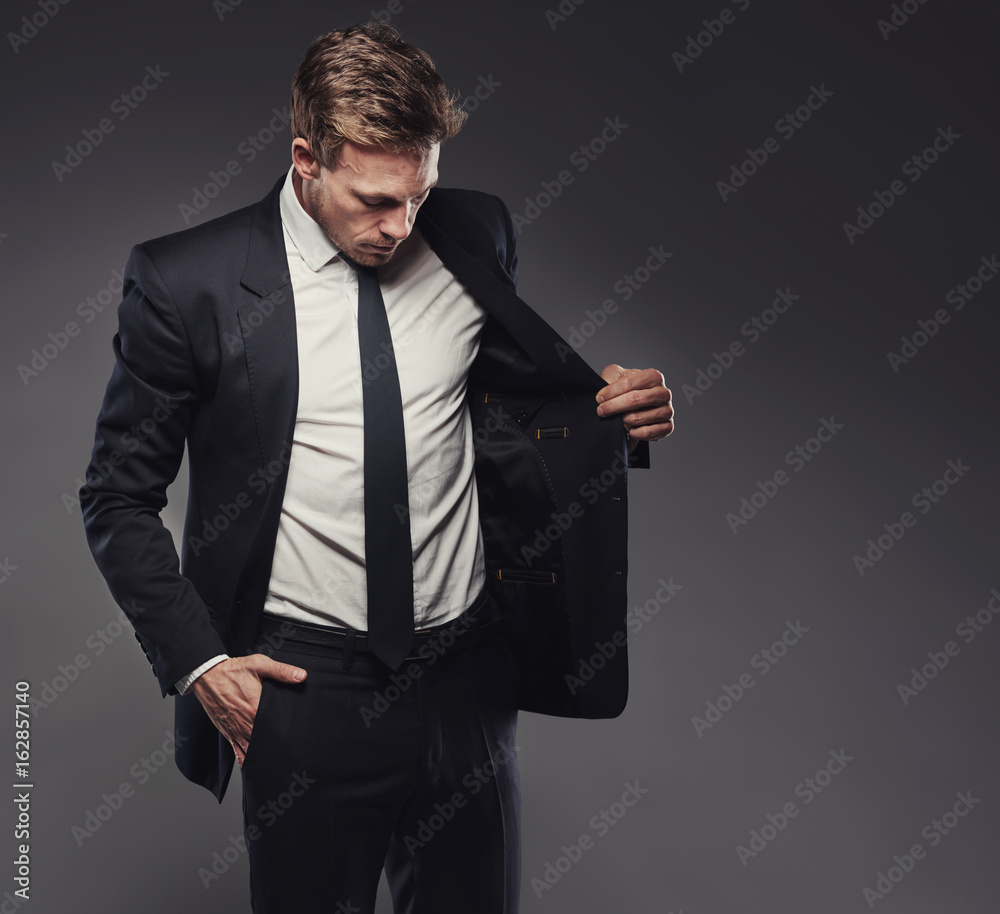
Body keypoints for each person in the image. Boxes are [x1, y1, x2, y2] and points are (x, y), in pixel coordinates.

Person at [81, 20, 673, 914]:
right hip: (308, 692)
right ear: (306, 158)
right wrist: (202, 664)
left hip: (470, 678)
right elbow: (117, 498)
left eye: (418, 195)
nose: (401, 227)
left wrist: (617, 410)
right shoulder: (188, 282)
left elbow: (515, 411)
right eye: (374, 201)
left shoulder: (475, 231)